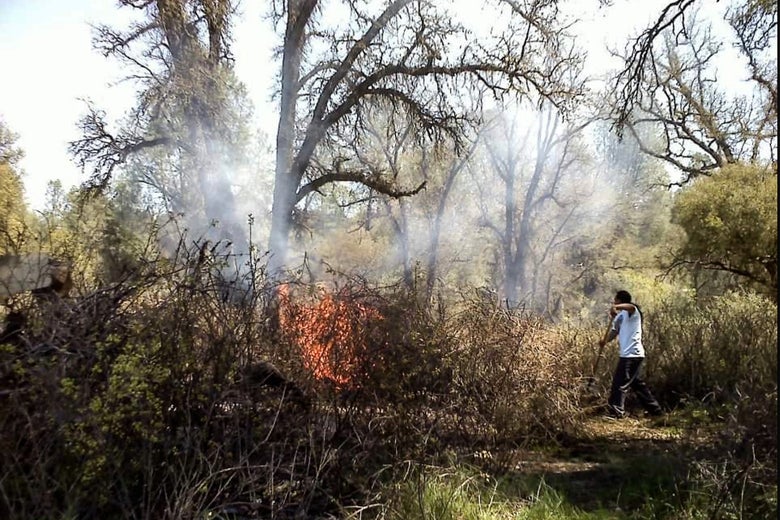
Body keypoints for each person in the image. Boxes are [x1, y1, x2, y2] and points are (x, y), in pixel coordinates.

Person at [598, 290, 663, 418]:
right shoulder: (619, 316)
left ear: (620, 300)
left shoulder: (633, 312)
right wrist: (604, 341)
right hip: (628, 354)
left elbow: (631, 306)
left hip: (632, 354)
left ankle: (616, 412)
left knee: (619, 383)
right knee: (636, 384)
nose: (614, 302)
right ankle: (655, 410)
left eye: (615, 300)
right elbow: (614, 332)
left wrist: (615, 307)